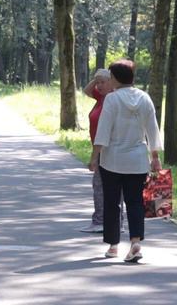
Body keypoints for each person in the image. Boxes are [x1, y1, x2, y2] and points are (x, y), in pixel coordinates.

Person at [89, 59, 162, 262]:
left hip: (112, 160)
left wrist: (94, 157)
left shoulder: (112, 100)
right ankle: (135, 242)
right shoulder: (144, 98)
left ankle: (113, 246)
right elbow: (152, 130)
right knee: (135, 202)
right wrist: (155, 157)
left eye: (110, 77)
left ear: (116, 79)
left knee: (112, 202)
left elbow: (103, 132)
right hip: (138, 160)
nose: (109, 81)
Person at [79, 69, 113, 233]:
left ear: (112, 82)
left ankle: (101, 221)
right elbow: (86, 90)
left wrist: (95, 156)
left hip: (106, 148)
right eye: (97, 82)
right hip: (98, 147)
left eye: (102, 82)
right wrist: (97, 77)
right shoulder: (101, 97)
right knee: (104, 186)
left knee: (100, 185)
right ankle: (109, 221)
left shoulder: (113, 99)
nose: (98, 86)